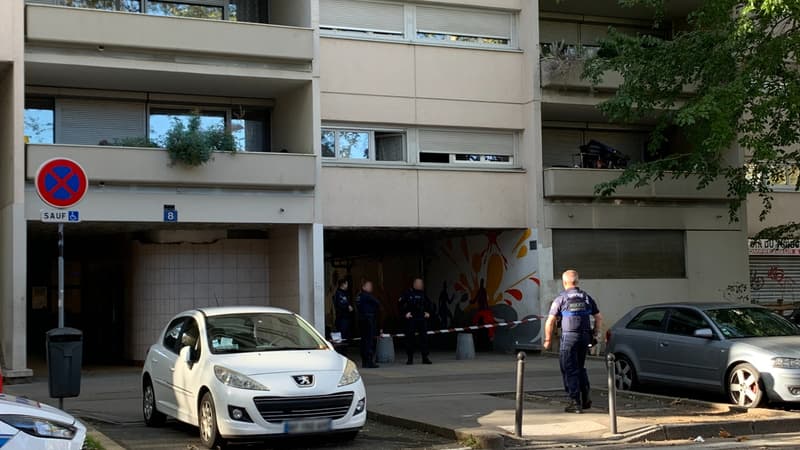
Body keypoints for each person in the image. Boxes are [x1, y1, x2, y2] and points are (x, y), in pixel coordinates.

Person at [543, 270, 603, 414]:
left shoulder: (561, 299)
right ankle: (586, 399)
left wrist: (548, 340)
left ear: (564, 283)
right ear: (577, 282)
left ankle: (575, 402)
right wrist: (595, 333)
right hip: (584, 337)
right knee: (580, 367)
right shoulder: (586, 298)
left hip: (569, 337)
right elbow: (599, 317)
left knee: (569, 368)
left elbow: (550, 321)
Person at [399, 278, 434, 365]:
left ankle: (425, 357)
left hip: (422, 319)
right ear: (414, 284)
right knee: (410, 339)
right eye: (418, 283)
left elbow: (429, 304)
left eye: (421, 283)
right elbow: (400, 305)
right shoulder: (408, 293)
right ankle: (410, 358)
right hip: (412, 319)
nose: (420, 285)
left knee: (424, 339)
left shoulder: (423, 294)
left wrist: (428, 313)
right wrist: (405, 314)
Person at [356, 280, 381, 369]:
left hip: (361, 319)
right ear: (364, 287)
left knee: (364, 340)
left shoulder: (359, 296)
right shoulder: (367, 296)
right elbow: (377, 303)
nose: (371, 287)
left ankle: (365, 361)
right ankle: (369, 361)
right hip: (368, 319)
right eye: (369, 286)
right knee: (369, 340)